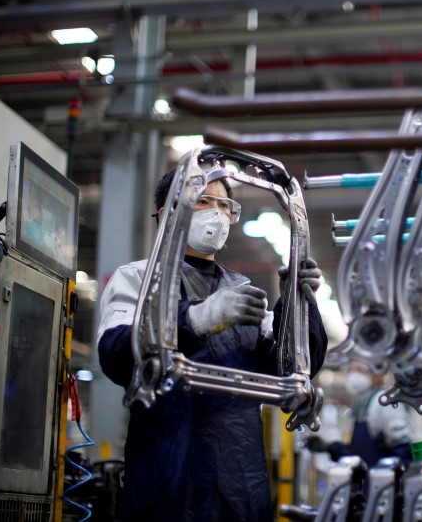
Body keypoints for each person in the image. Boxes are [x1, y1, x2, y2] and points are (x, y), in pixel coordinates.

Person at [97, 168, 328, 521]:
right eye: (203, 202)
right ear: (168, 214)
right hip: (166, 483)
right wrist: (196, 319)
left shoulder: (241, 288)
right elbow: (115, 355)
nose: (217, 214)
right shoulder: (138, 280)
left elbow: (285, 366)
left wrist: (298, 304)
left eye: (224, 205)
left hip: (240, 483)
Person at [305, 361, 412, 469]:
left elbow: (402, 451)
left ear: (378, 375)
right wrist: (328, 447)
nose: (354, 374)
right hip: (365, 482)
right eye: (351, 369)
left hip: (382, 481)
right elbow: (356, 454)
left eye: (360, 370)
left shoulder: (384, 402)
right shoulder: (359, 405)